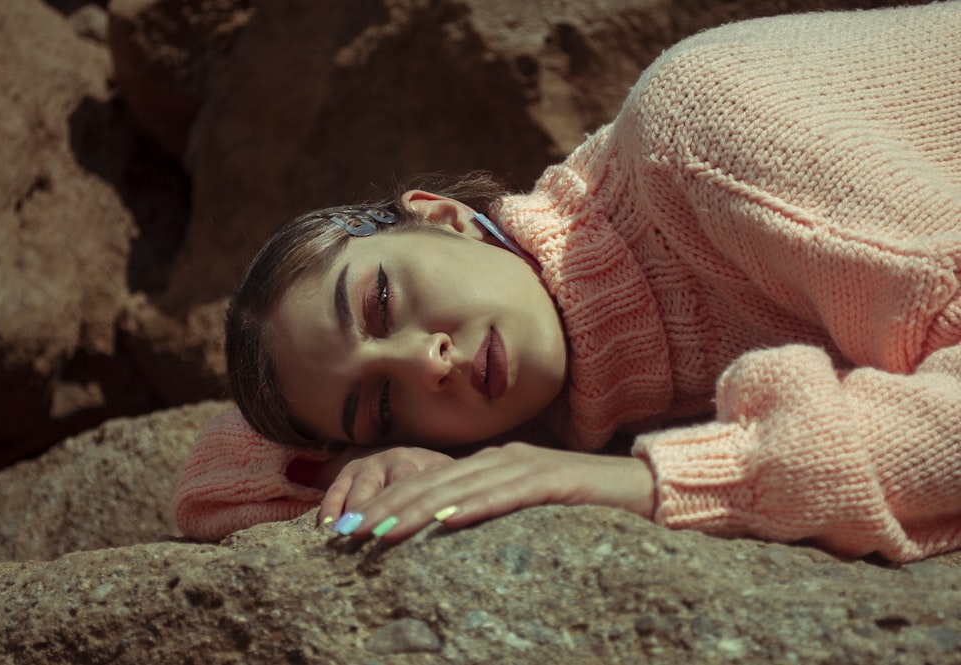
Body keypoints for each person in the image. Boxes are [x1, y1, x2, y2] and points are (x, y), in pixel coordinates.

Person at [174, 1, 961, 563]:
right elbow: (212, 487)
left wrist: (641, 481)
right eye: (382, 403)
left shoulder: (700, 145)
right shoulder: (547, 397)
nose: (427, 363)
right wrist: (381, 468)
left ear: (442, 216)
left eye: (382, 303)